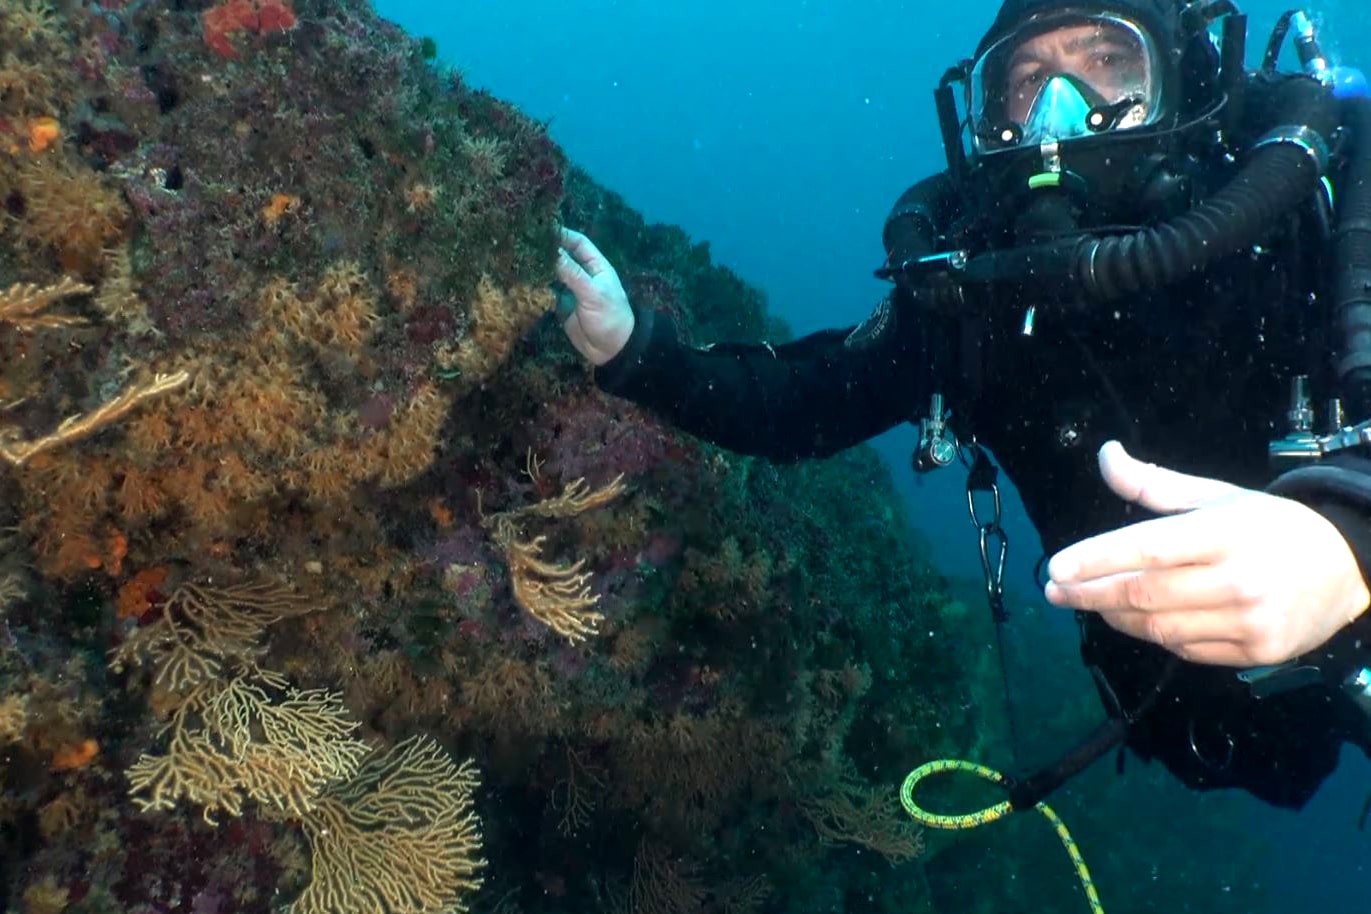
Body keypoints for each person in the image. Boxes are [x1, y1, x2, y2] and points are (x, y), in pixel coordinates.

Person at [555, 0, 1371, 810]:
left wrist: (1347, 545)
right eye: (1026, 80)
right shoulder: (978, 301)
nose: (1060, 113)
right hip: (1169, 723)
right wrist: (637, 352)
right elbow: (803, 402)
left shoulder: (1314, 219)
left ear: (1182, 79)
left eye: (1106, 66)